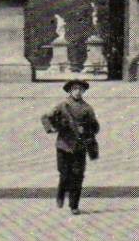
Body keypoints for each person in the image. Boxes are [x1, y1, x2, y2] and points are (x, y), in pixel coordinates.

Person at [41, 79, 101, 215]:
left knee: (78, 176)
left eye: (80, 89)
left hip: (80, 146)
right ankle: (61, 194)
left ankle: (74, 205)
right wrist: (52, 128)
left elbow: (95, 127)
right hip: (63, 145)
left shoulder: (87, 108)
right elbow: (46, 117)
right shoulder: (63, 106)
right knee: (64, 174)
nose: (78, 92)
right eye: (75, 89)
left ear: (84, 91)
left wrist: (86, 130)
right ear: (70, 91)